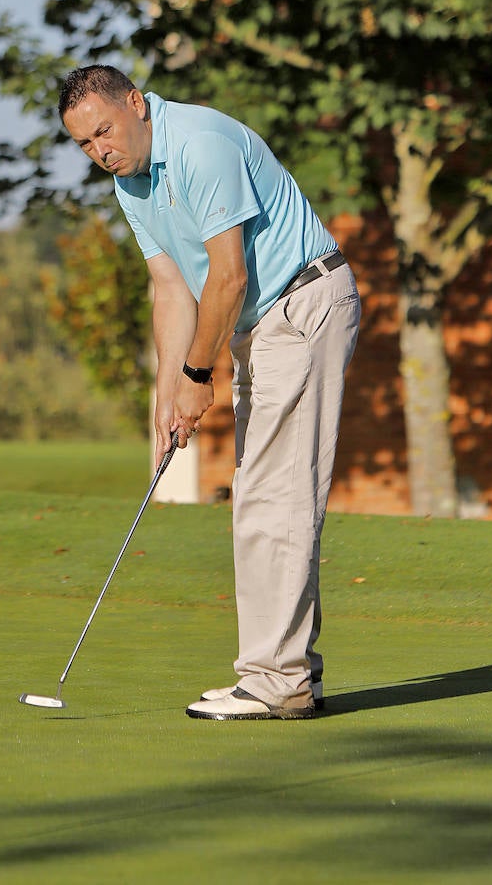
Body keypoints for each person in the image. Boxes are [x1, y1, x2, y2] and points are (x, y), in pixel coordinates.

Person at [58, 65, 361, 721]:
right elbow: (172, 288)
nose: (100, 151)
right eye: (85, 145)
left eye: (104, 131)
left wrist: (200, 377)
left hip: (301, 301)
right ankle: (281, 675)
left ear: (136, 104)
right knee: (261, 492)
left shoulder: (198, 143)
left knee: (272, 494)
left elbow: (227, 275)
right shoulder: (131, 183)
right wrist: (168, 395)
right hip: (264, 319)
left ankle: (276, 679)